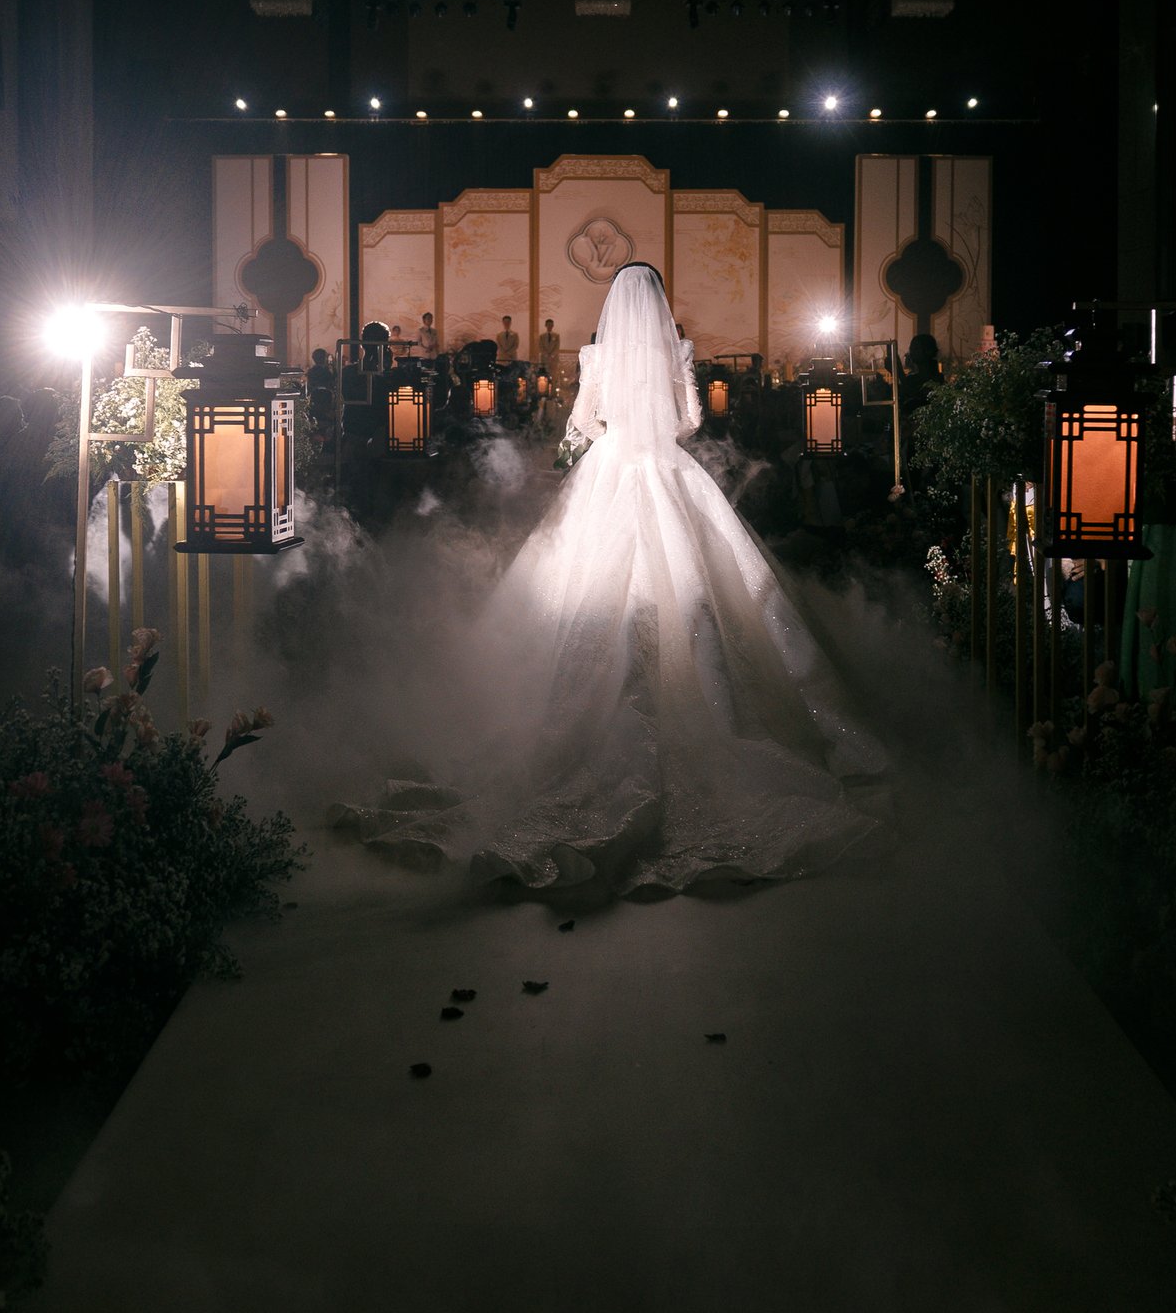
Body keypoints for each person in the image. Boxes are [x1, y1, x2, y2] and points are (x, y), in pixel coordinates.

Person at [333, 263, 886, 894]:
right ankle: (723, 714)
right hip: (667, 468)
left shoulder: (595, 357)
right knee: (709, 593)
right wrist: (653, 433)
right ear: (659, 304)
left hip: (610, 467)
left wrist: (613, 438)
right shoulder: (677, 352)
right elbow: (690, 422)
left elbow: (585, 422)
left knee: (579, 590)